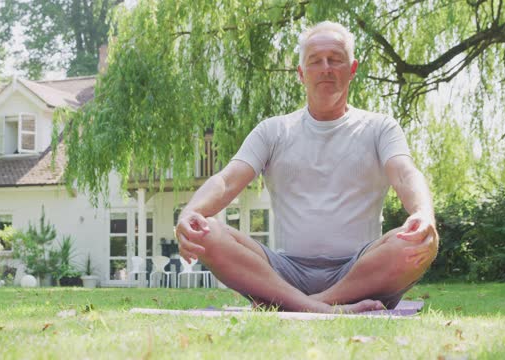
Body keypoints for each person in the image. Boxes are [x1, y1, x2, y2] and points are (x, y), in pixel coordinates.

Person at [174, 21, 438, 313]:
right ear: (301, 74)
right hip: (282, 273)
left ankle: (302, 306)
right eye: (315, 61)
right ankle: (320, 307)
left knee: (417, 242)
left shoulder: (380, 128)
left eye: (335, 60)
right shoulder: (272, 131)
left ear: (352, 69)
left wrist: (424, 214)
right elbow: (227, 180)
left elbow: (405, 173)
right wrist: (189, 213)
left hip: (361, 271)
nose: (326, 68)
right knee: (207, 230)